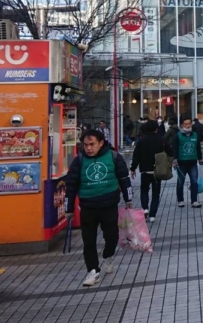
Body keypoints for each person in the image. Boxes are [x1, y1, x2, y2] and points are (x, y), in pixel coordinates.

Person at [62, 130, 133, 287]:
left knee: (112, 236)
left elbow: (124, 178)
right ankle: (93, 270)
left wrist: (128, 199)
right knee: (88, 240)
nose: (88, 148)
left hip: (109, 205)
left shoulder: (114, 157)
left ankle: (108, 255)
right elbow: (71, 185)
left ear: (101, 143)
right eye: (85, 145)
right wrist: (68, 208)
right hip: (87, 207)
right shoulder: (79, 161)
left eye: (92, 144)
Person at [130, 120, 174, 221]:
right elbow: (170, 152)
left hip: (145, 170)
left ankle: (145, 208)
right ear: (156, 128)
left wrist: (133, 168)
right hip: (158, 170)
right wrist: (168, 164)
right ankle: (152, 215)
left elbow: (136, 155)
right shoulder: (162, 140)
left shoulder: (142, 141)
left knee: (144, 190)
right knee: (156, 193)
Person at [168, 116, 203, 208]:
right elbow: (174, 148)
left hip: (193, 162)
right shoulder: (178, 136)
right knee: (180, 182)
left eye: (189, 124)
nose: (188, 126)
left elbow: (198, 148)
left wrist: (200, 159)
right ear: (182, 125)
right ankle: (180, 200)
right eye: (186, 124)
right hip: (181, 163)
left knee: (194, 182)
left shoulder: (195, 135)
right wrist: (175, 160)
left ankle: (194, 201)